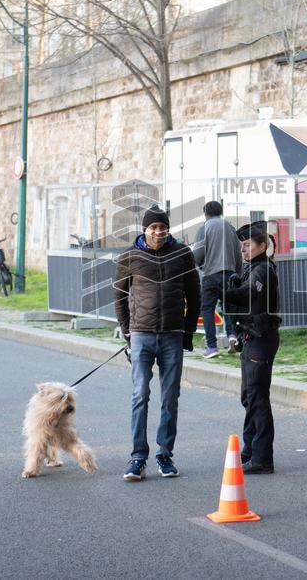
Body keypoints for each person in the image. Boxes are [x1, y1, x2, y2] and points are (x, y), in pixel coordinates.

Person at [113, 205, 200, 481]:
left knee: (170, 397)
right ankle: (138, 456)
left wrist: (187, 334)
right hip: (141, 335)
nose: (159, 232)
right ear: (145, 230)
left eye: (163, 227)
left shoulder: (183, 254)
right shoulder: (130, 256)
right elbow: (118, 296)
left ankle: (165, 454)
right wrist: (128, 332)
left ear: (168, 228)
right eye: (154, 228)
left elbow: (195, 296)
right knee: (140, 395)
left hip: (173, 335)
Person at [223, 221, 281, 475]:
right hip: (251, 337)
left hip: (261, 338)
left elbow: (248, 295)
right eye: (242, 246)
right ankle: (249, 450)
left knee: (257, 398)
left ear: (262, 246)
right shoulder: (252, 268)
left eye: (247, 246)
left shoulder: (263, 271)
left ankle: (262, 457)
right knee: (249, 396)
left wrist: (223, 291)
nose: (243, 250)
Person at [191, 200, 243, 358]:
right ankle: (232, 335)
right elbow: (238, 254)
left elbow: (198, 254)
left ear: (205, 213)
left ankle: (212, 347)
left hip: (210, 275)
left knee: (207, 309)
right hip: (229, 274)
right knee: (228, 306)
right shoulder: (230, 228)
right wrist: (237, 275)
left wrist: (199, 265)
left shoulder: (204, 228)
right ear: (221, 212)